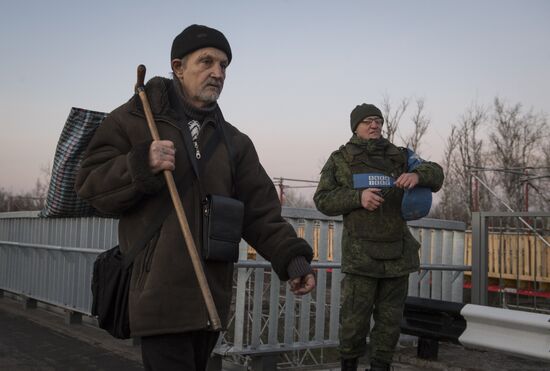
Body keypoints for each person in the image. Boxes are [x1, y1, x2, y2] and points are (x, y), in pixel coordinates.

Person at [76, 24, 316, 371]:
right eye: (206, 62)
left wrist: (293, 261)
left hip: (210, 299)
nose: (217, 73)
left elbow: (262, 213)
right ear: (178, 67)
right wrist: (142, 163)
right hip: (158, 294)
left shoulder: (235, 143)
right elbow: (89, 185)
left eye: (224, 66)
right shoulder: (135, 120)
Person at [313, 103, 444, 371]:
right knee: (353, 321)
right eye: (367, 121)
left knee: (389, 323)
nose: (374, 125)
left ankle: (381, 366)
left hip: (397, 255)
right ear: (355, 127)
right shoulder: (341, 159)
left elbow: (437, 173)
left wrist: (418, 175)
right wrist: (357, 197)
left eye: (378, 120)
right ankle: (349, 365)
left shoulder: (400, 155)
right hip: (361, 258)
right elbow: (323, 200)